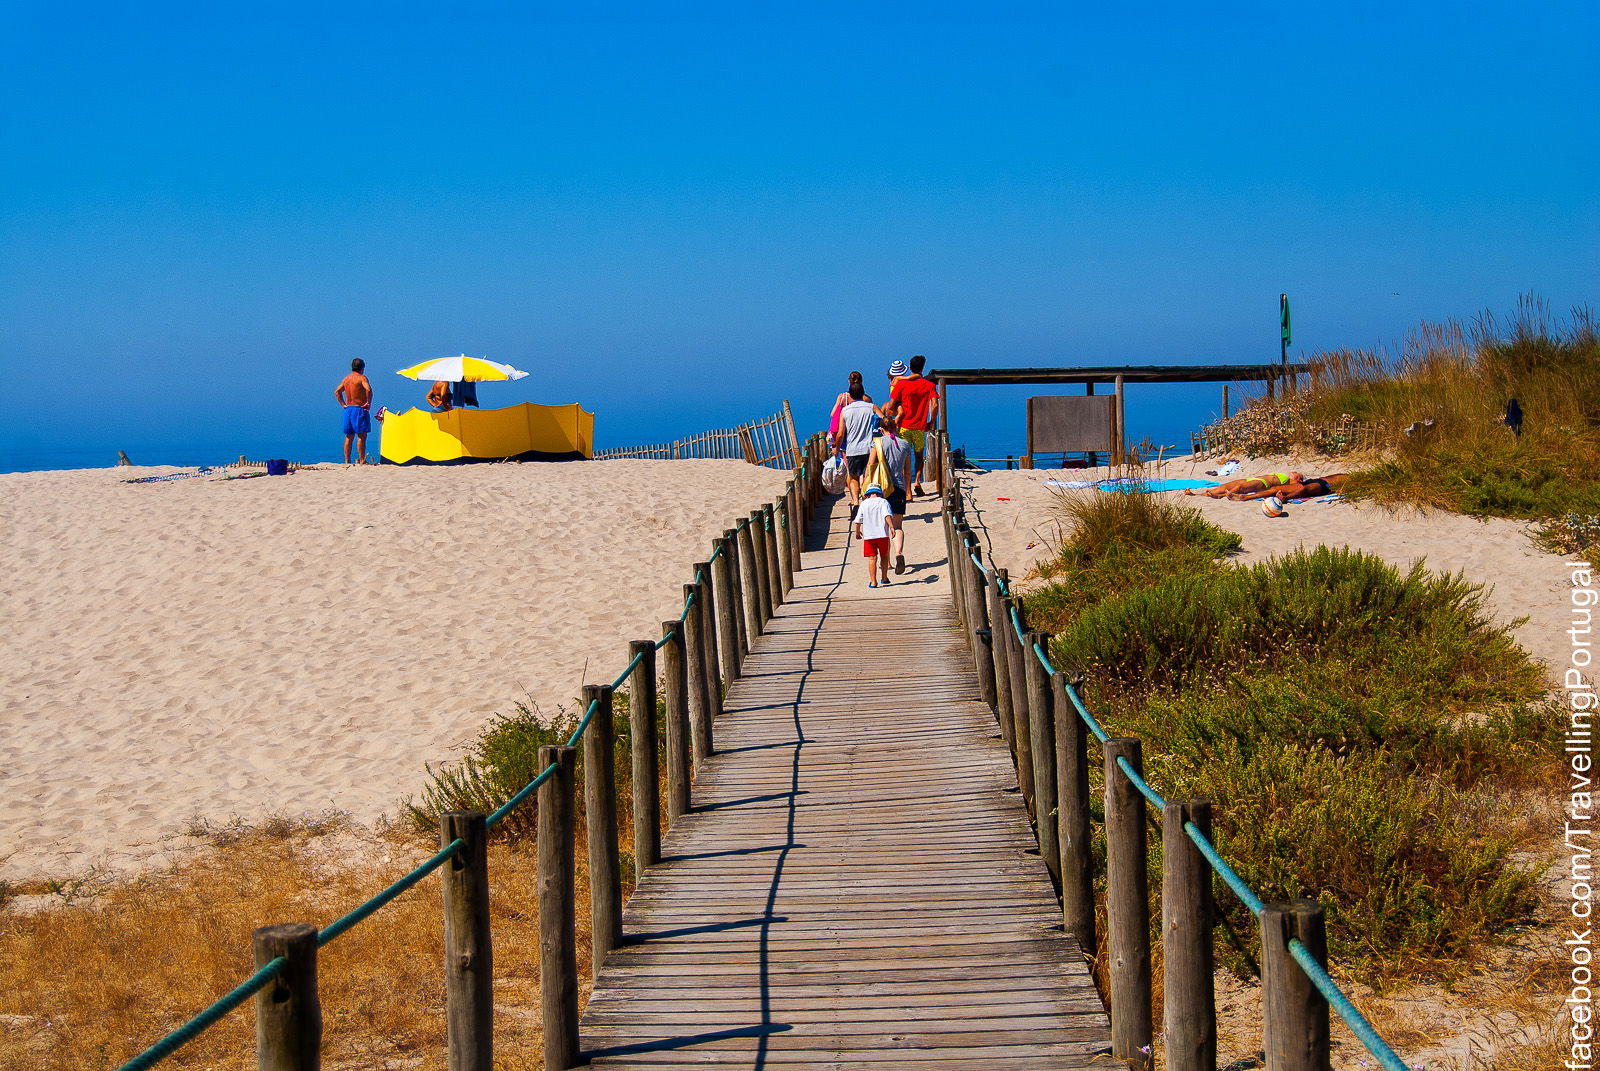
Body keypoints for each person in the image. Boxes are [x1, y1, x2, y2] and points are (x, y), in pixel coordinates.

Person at [867, 414, 915, 574]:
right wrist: (908, 490)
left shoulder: (877, 443)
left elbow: (870, 466)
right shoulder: (905, 444)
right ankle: (898, 553)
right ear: (895, 427)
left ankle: (886, 562)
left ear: (881, 429)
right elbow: (908, 471)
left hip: (881, 490)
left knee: (883, 527)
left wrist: (865, 486)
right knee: (898, 526)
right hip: (899, 488)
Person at [887, 354, 940, 498]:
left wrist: (893, 413)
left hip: (904, 426)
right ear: (923, 367)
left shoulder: (902, 384)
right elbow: (935, 404)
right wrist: (932, 421)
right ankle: (917, 481)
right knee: (918, 457)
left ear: (909, 368)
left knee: (904, 458)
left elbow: (891, 405)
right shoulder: (929, 385)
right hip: (919, 428)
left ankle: (907, 490)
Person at [836, 383, 879, 509]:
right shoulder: (872, 407)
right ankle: (866, 499)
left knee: (853, 476)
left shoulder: (845, 411)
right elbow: (885, 420)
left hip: (852, 449)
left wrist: (837, 449)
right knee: (868, 476)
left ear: (850, 395)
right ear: (863, 393)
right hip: (870, 449)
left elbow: (840, 434)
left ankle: (855, 501)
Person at [334, 358, 374, 465]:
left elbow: (337, 392)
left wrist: (343, 404)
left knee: (349, 436)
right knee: (362, 435)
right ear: (362, 368)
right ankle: (362, 460)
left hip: (349, 409)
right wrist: (368, 402)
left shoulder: (346, 379)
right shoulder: (361, 378)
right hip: (359, 409)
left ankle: (347, 460)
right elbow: (368, 390)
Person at [853, 483, 893, 588]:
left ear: (867, 494)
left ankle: (873, 582)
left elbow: (857, 521)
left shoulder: (864, 504)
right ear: (880, 493)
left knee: (872, 558)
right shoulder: (883, 502)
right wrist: (892, 527)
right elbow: (887, 515)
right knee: (884, 556)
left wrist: (857, 532)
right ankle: (884, 578)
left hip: (869, 536)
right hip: (883, 535)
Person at [828, 371, 875, 453]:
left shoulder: (842, 397)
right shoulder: (867, 399)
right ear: (861, 381)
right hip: (863, 434)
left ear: (849, 381)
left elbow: (833, 414)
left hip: (845, 432)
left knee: (847, 461)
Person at [1228, 473, 1349, 501]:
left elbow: (1304, 490)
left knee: (1303, 490)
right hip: (1317, 480)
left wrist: (1287, 498)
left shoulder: (1352, 480)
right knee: (1275, 489)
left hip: (1324, 486)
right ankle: (1246, 497)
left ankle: (1286, 498)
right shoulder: (1349, 476)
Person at [1184, 471, 1303, 499]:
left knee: (1240, 488)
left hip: (1263, 483)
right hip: (1251, 478)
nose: (1293, 472)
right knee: (1221, 487)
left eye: (1296, 473)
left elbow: (1297, 489)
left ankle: (1226, 496)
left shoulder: (1293, 482)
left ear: (1299, 479)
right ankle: (1196, 495)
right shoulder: (1287, 477)